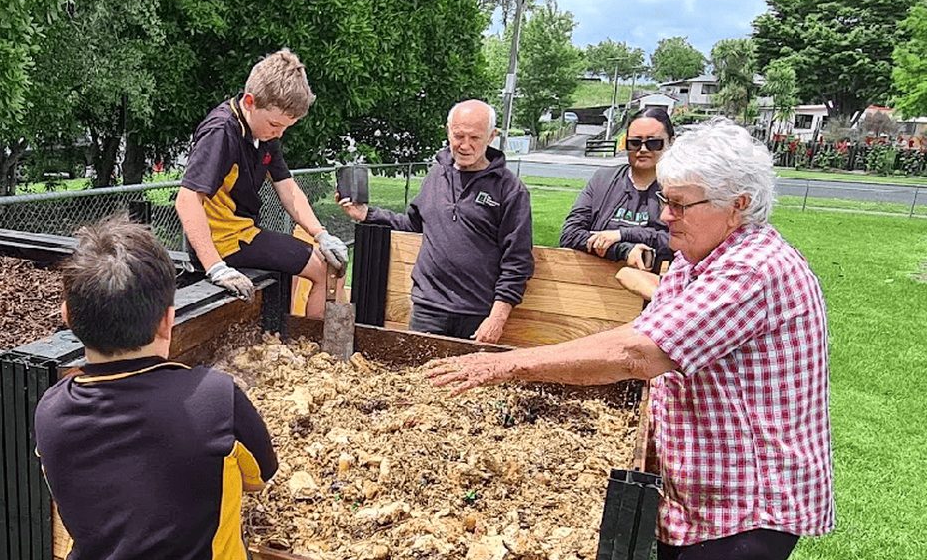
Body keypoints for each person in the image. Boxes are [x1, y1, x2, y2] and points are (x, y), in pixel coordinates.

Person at [427, 119, 833, 560]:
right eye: (665, 201)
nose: (664, 216)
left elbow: (633, 353)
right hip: (704, 488)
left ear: (737, 205)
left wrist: (503, 365)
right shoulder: (703, 258)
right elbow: (644, 323)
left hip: (752, 499)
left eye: (678, 204)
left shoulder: (751, 271)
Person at [35, 217, 280, 560]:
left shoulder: (51, 412)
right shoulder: (213, 398)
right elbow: (261, 475)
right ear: (168, 318)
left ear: (67, 315)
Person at [336, 100, 533, 343]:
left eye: (475, 138)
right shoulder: (436, 175)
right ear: (448, 130)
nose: (465, 145)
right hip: (427, 309)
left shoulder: (510, 190)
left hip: (477, 314)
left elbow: (518, 260)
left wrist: (497, 319)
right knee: (418, 379)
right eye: (459, 135)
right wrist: (367, 214)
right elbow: (413, 225)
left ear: (492, 136)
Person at [176, 48, 347, 317]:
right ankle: (322, 354)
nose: (278, 133)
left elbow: (287, 187)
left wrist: (321, 234)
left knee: (330, 264)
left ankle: (312, 346)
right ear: (250, 101)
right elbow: (186, 200)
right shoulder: (220, 132)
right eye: (275, 124)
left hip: (244, 233)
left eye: (285, 127)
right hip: (224, 243)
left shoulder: (264, 133)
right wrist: (216, 267)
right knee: (326, 271)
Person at [560, 106, 674, 284]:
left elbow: (677, 241)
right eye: (635, 142)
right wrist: (623, 249)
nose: (642, 149)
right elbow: (570, 234)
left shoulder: (680, 189)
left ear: (670, 143)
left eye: (653, 143)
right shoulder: (602, 180)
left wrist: (623, 234)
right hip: (594, 289)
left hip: (655, 293)